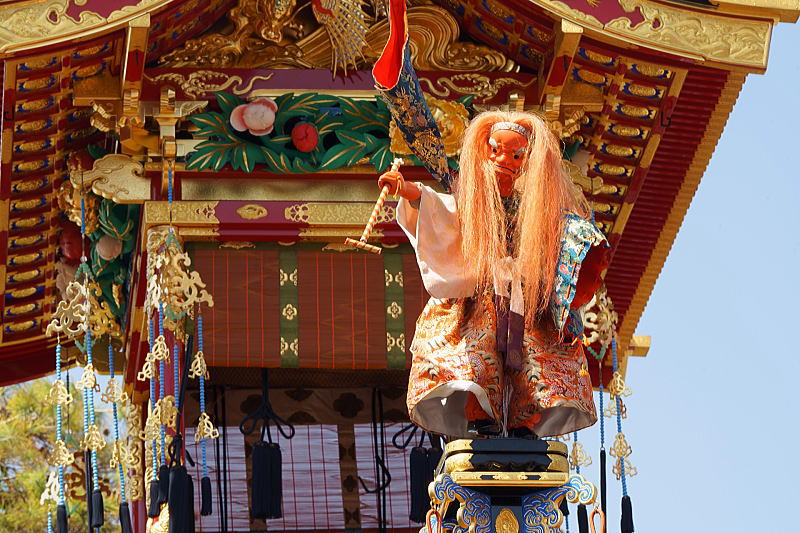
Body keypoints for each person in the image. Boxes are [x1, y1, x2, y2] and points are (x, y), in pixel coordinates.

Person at [377, 111, 609, 438]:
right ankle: (478, 413)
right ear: (484, 150)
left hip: (522, 296)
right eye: (496, 150)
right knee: (471, 354)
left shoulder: (533, 206)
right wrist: (408, 189)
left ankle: (526, 421)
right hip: (478, 293)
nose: (504, 160)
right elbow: (442, 210)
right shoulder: (471, 201)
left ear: (526, 161)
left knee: (534, 359)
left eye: (516, 155)